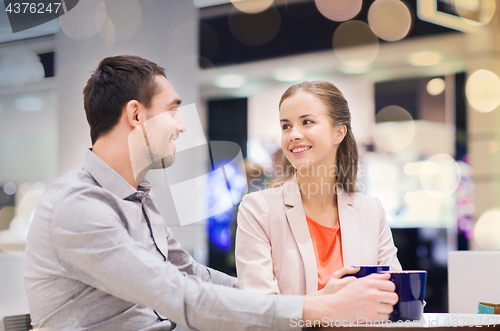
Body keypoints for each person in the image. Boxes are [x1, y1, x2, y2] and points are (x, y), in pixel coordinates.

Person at [24, 57, 398, 331]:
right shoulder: (79, 205)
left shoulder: (137, 201)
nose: (183, 126)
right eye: (173, 111)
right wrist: (314, 309)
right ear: (136, 115)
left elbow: (193, 276)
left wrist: (303, 302)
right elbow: (181, 297)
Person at [236, 81, 402, 296]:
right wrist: (327, 300)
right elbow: (261, 310)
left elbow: (394, 295)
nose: (293, 134)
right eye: (286, 126)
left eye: (307, 122)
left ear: (338, 133)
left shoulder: (371, 211)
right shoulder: (258, 210)